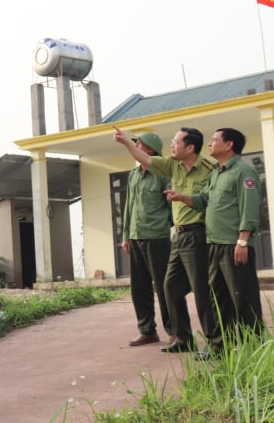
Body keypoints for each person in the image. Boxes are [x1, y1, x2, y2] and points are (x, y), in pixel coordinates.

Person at [113, 124, 218, 354]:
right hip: (168, 235)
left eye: (176, 142)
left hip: (184, 234)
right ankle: (179, 338)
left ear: (190, 147)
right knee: (164, 287)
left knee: (198, 289)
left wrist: (183, 201)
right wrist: (125, 142)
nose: (172, 144)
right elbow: (130, 203)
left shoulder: (205, 170)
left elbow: (206, 201)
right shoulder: (167, 167)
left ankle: (213, 341)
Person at [166, 127, 264, 358]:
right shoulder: (217, 173)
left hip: (234, 245)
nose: (209, 144)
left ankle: (255, 351)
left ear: (229, 145)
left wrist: (242, 241)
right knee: (219, 300)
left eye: (214, 140)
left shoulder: (244, 171)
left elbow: (249, 209)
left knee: (243, 299)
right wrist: (181, 197)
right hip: (214, 244)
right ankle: (221, 348)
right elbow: (205, 200)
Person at [119, 131, 174, 347]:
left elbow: (172, 207)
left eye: (139, 143)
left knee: (164, 287)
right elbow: (129, 207)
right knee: (139, 288)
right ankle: (147, 331)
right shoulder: (133, 175)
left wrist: (163, 226)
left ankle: (173, 331)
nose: (136, 146)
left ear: (150, 149)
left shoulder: (162, 175)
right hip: (135, 238)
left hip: (158, 238)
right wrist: (125, 235)